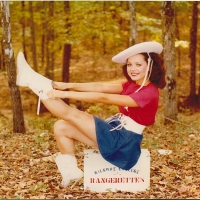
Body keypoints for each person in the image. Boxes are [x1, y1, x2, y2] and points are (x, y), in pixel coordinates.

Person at [16, 41, 166, 186]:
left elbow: (103, 97)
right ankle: (71, 173)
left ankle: (34, 82)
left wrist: (64, 94)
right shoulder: (133, 85)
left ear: (150, 66)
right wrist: (67, 85)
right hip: (115, 134)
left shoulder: (149, 93)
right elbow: (101, 87)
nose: (132, 69)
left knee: (77, 115)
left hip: (123, 144)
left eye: (138, 65)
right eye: (129, 64)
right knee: (62, 127)